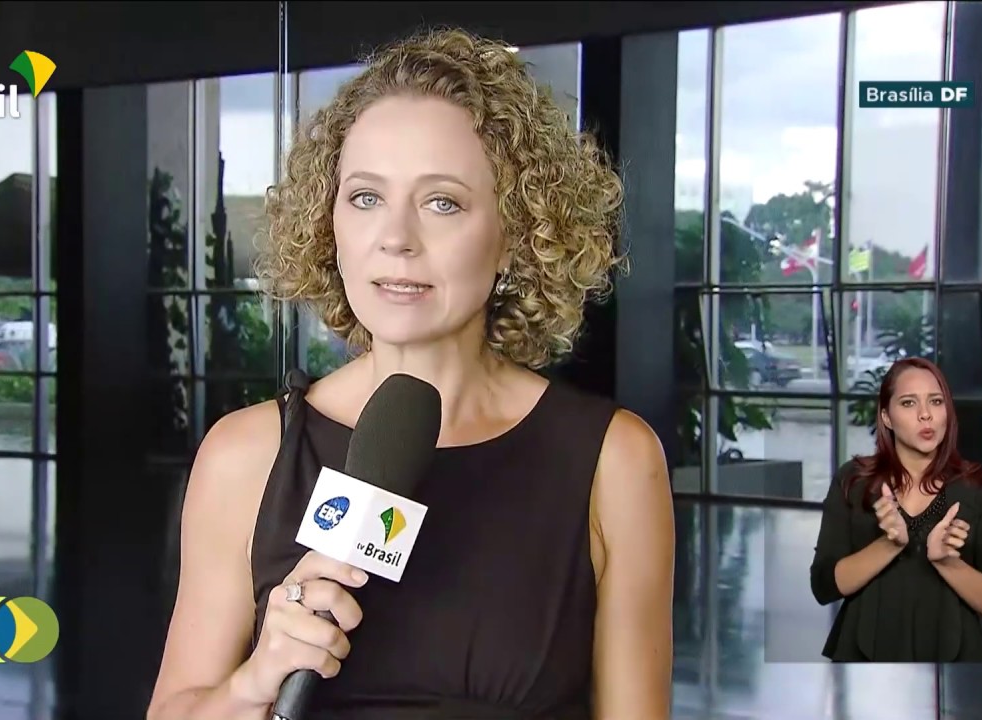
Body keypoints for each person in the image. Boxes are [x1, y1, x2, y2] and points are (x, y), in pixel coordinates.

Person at [146, 27, 675, 720]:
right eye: (366, 197)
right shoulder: (245, 455)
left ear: (515, 236)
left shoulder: (614, 460)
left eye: (442, 202)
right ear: (329, 223)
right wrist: (254, 681)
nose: (395, 238)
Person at [810, 356, 982, 662]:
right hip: (864, 662)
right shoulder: (853, 481)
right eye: (908, 403)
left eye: (936, 401)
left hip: (954, 665)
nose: (925, 415)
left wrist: (948, 563)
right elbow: (824, 586)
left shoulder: (978, 488)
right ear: (887, 417)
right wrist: (889, 544)